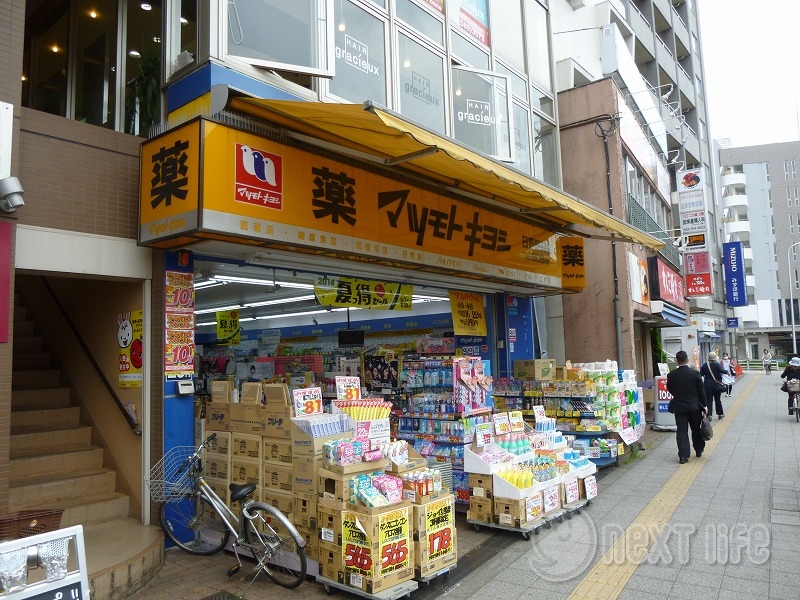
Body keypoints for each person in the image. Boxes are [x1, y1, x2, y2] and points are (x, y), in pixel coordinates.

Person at [666, 350, 707, 464]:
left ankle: (683, 456)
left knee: (682, 431)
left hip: (679, 407)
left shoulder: (671, 375)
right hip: (694, 407)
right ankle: (698, 450)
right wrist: (705, 405)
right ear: (687, 359)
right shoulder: (694, 374)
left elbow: (670, 389)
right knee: (696, 429)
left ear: (676, 361)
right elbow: (701, 391)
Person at [699, 352, 728, 419]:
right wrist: (727, 371)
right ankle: (720, 414)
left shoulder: (705, 365)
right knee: (717, 400)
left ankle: (709, 415)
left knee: (708, 400)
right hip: (716, 385)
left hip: (707, 386)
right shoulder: (717, 365)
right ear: (715, 358)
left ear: (709, 358)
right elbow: (722, 371)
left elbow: (700, 374)